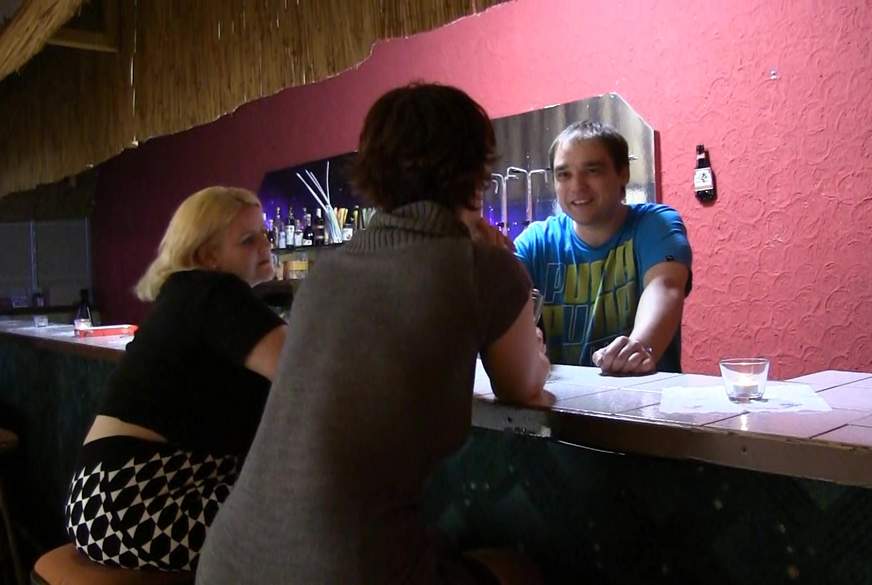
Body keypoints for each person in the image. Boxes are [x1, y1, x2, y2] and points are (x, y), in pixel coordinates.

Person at [196, 83, 550, 585]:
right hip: (341, 570)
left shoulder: (326, 273)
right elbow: (523, 386)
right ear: (476, 169)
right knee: (517, 570)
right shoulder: (483, 267)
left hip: (225, 561)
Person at [64, 186, 287, 572]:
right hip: (142, 496)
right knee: (303, 530)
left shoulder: (186, 294)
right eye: (248, 240)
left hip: (104, 498)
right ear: (207, 256)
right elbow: (306, 375)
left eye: (264, 234)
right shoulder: (214, 292)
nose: (265, 245)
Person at [514, 121, 692, 374]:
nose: (577, 186)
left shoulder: (656, 223)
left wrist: (638, 349)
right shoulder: (537, 240)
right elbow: (493, 297)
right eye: (564, 174)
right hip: (562, 398)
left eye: (592, 171)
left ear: (623, 173)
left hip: (643, 395)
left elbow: (665, 286)